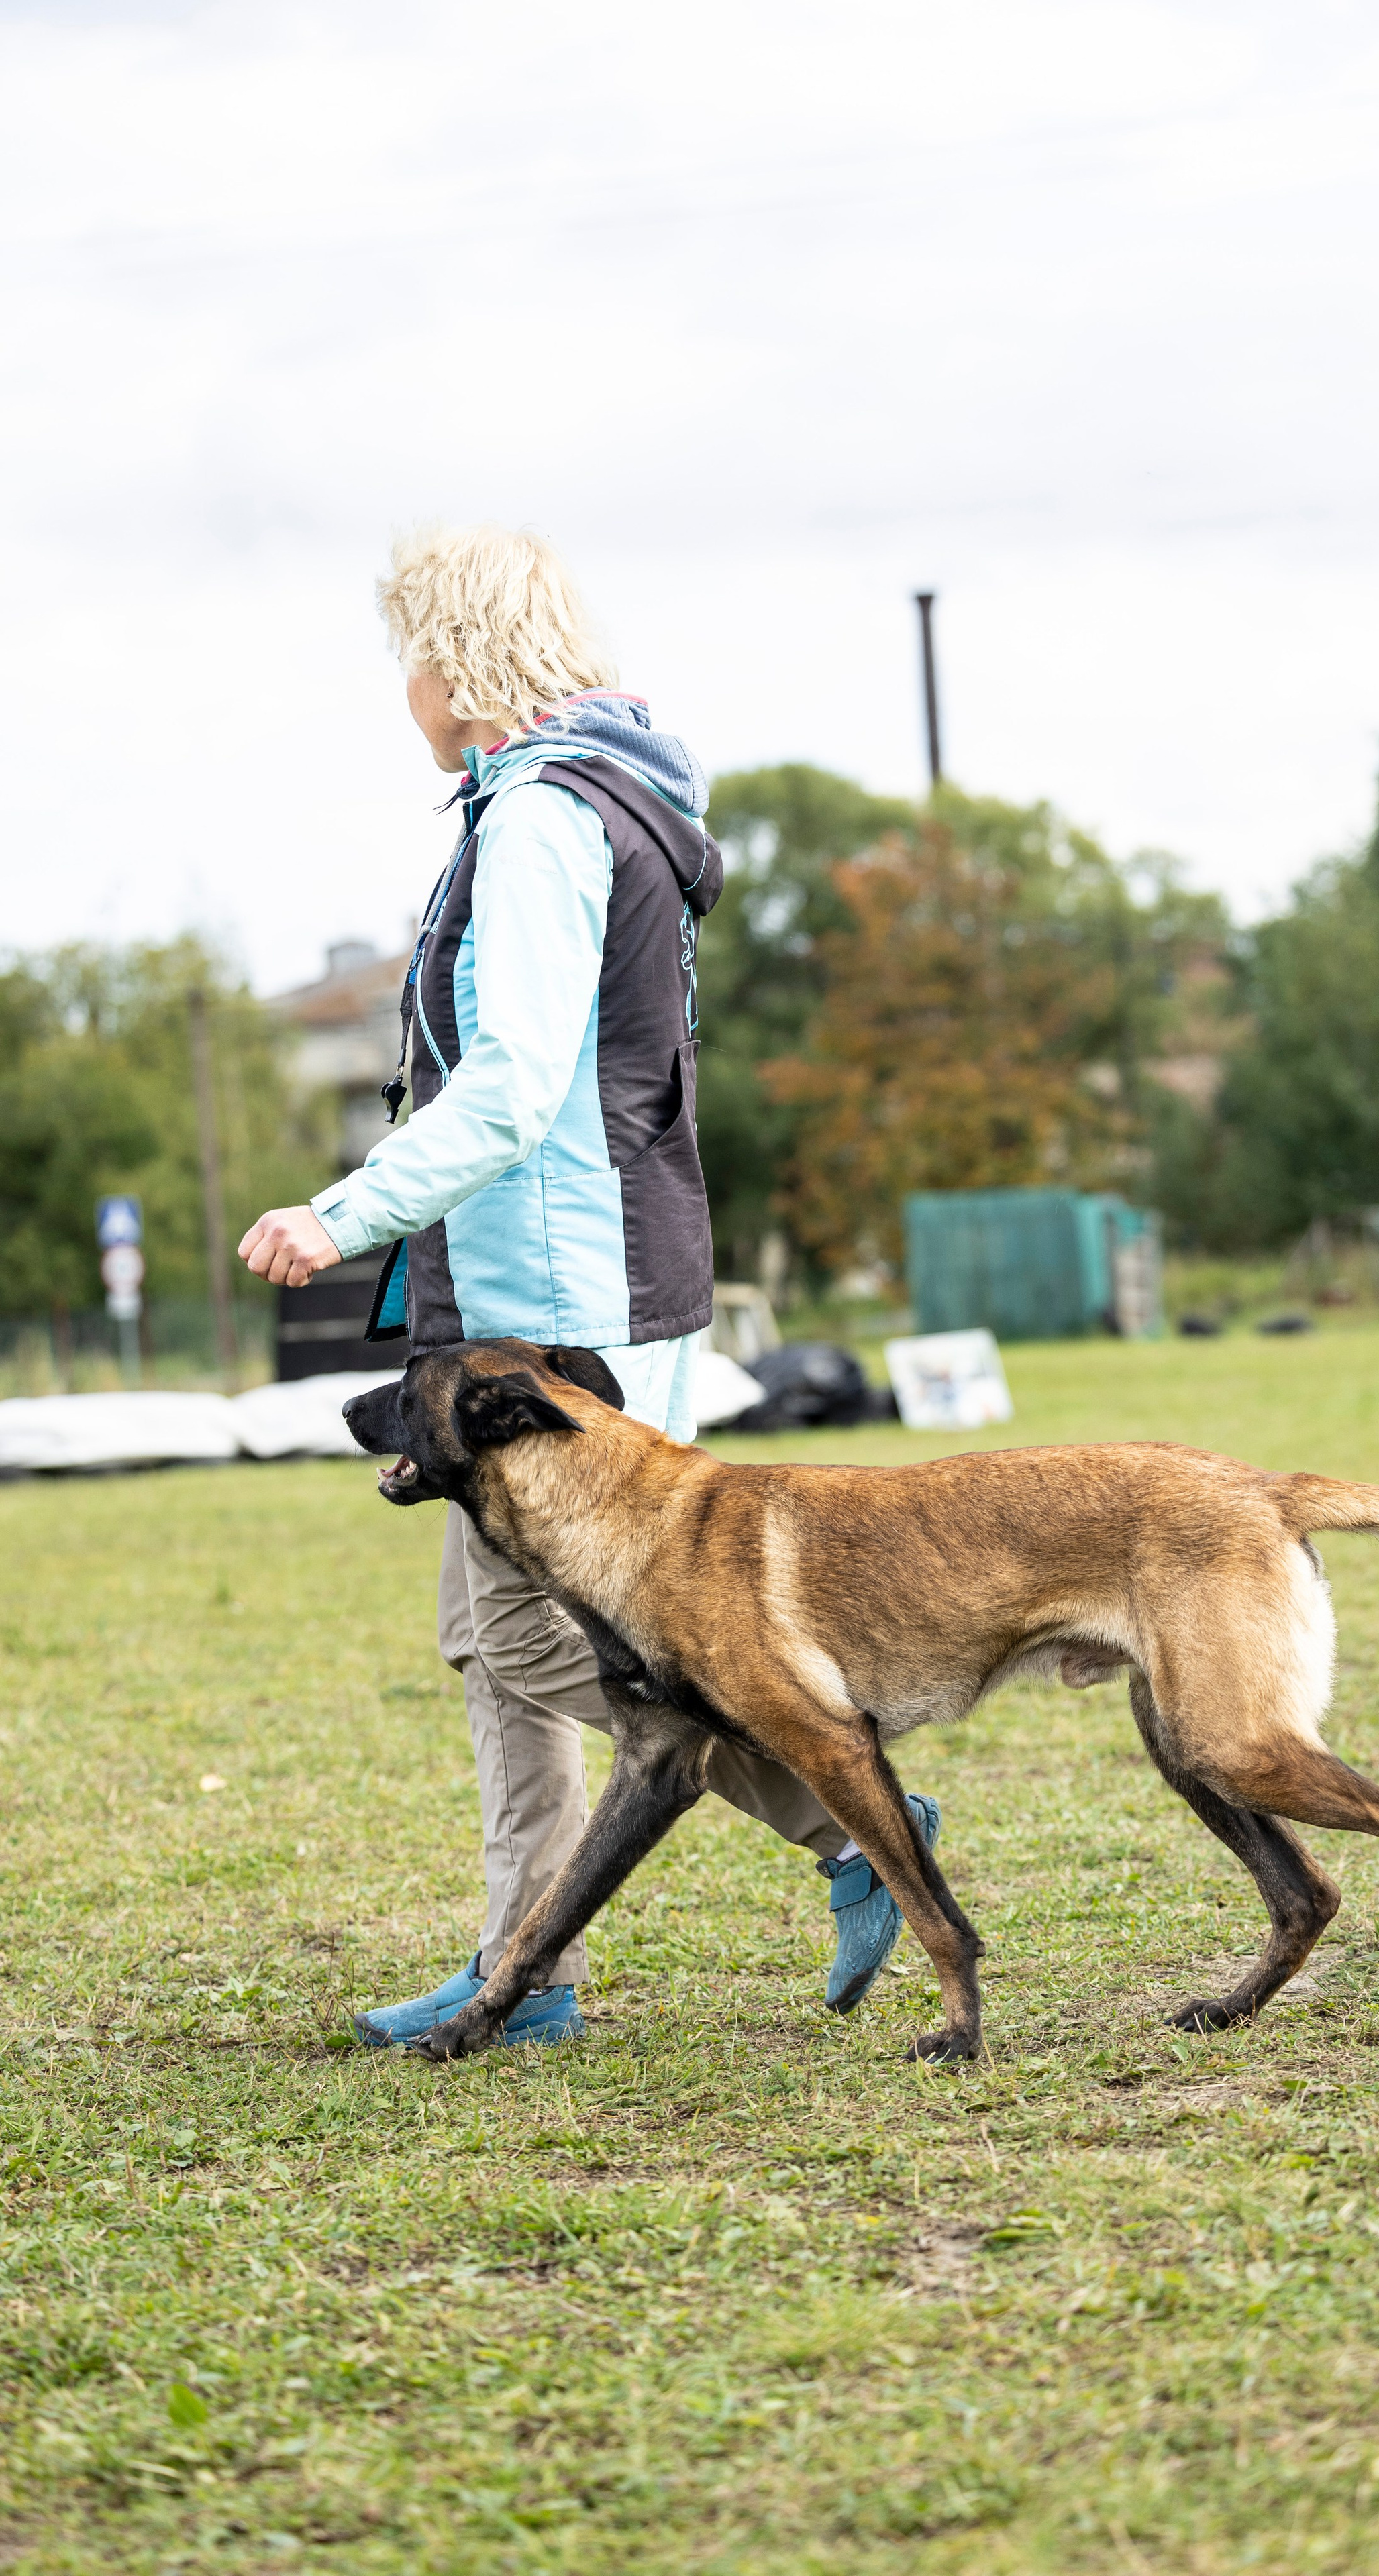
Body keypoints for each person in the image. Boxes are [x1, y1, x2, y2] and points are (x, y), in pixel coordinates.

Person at [239, 524, 941, 2045]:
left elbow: (512, 1087)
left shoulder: (549, 822)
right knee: (486, 1636)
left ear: (457, 662)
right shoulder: (567, 802)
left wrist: (345, 1212)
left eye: (407, 657)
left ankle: (858, 1821)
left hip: (559, 1294)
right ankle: (528, 1970)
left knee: (534, 1637)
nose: (403, 690)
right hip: (543, 1273)